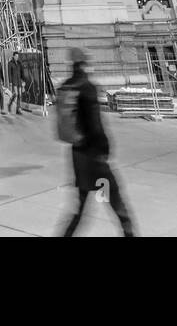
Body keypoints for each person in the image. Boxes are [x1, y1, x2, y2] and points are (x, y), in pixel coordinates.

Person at [58, 48, 135, 236]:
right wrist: (105, 148)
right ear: (84, 64)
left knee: (79, 209)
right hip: (95, 158)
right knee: (117, 203)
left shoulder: (66, 87)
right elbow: (95, 124)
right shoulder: (87, 87)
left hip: (77, 156)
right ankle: (129, 233)